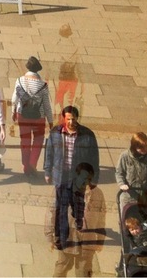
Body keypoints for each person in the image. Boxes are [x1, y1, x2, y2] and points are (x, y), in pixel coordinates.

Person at [44, 106, 100, 251]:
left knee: (76, 204)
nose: (70, 122)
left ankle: (78, 218)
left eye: (73, 119)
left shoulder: (87, 135)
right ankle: (60, 238)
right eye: (67, 119)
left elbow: (94, 159)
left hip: (79, 177)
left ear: (77, 118)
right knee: (60, 208)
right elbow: (49, 152)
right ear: (63, 118)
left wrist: (94, 178)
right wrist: (47, 170)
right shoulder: (55, 133)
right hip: (61, 176)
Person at [13, 56, 53, 179]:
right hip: (38, 116)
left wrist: (13, 112)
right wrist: (50, 120)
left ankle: (25, 166)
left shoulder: (19, 81)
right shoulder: (43, 85)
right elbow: (47, 105)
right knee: (38, 140)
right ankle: (32, 163)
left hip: (22, 114)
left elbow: (14, 99)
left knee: (24, 141)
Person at [116, 132, 147, 202]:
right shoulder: (124, 156)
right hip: (128, 197)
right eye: (141, 147)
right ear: (134, 147)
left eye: (146, 146)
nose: (144, 149)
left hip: (145, 197)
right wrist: (122, 184)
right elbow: (119, 173)